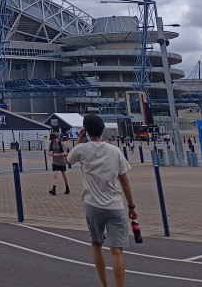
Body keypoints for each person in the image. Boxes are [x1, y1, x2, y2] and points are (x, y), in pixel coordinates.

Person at [66, 114, 137, 287]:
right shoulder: (115, 151)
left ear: (86, 131)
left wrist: (79, 142)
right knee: (117, 250)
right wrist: (131, 206)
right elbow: (125, 181)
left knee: (96, 244)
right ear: (103, 129)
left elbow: (69, 160)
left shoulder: (82, 149)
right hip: (115, 205)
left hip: (92, 204)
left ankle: (104, 284)